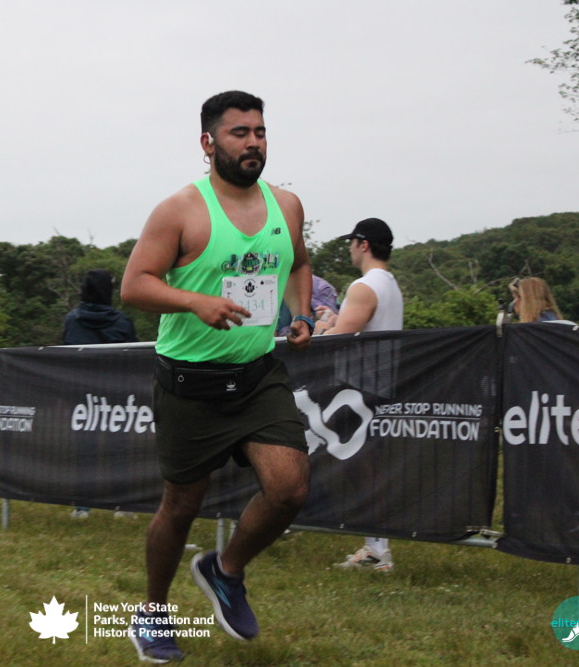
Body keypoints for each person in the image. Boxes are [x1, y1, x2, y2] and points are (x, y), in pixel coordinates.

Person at [120, 90, 314, 662]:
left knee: (290, 488)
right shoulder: (180, 209)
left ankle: (225, 571)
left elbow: (300, 263)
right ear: (208, 143)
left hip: (256, 375)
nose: (253, 142)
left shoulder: (287, 206)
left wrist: (301, 313)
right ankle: (153, 613)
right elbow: (135, 284)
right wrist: (194, 302)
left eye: (260, 132)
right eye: (239, 133)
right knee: (181, 507)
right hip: (190, 382)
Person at [313, 217, 404, 573]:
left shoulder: (364, 286)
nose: (350, 249)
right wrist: (336, 319)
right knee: (368, 469)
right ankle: (376, 546)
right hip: (378, 385)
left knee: (363, 471)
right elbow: (358, 325)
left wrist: (323, 325)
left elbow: (338, 338)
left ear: (363, 244)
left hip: (360, 389)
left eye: (352, 242)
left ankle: (377, 550)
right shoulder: (388, 283)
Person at [62, 269, 138, 520]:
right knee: (120, 447)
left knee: (85, 448)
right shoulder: (123, 322)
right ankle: (121, 505)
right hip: (117, 397)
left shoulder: (72, 320)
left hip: (82, 396)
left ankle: (82, 507)